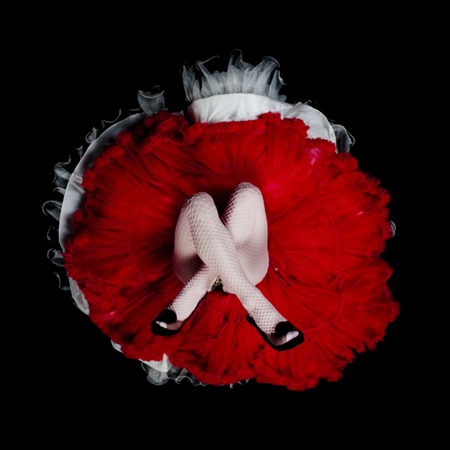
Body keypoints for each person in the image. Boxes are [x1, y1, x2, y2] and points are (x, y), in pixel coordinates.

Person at [50, 50, 399, 391]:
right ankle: (253, 302)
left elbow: (196, 206)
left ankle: (192, 296)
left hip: (192, 271)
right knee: (247, 194)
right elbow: (246, 198)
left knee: (200, 202)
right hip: (246, 274)